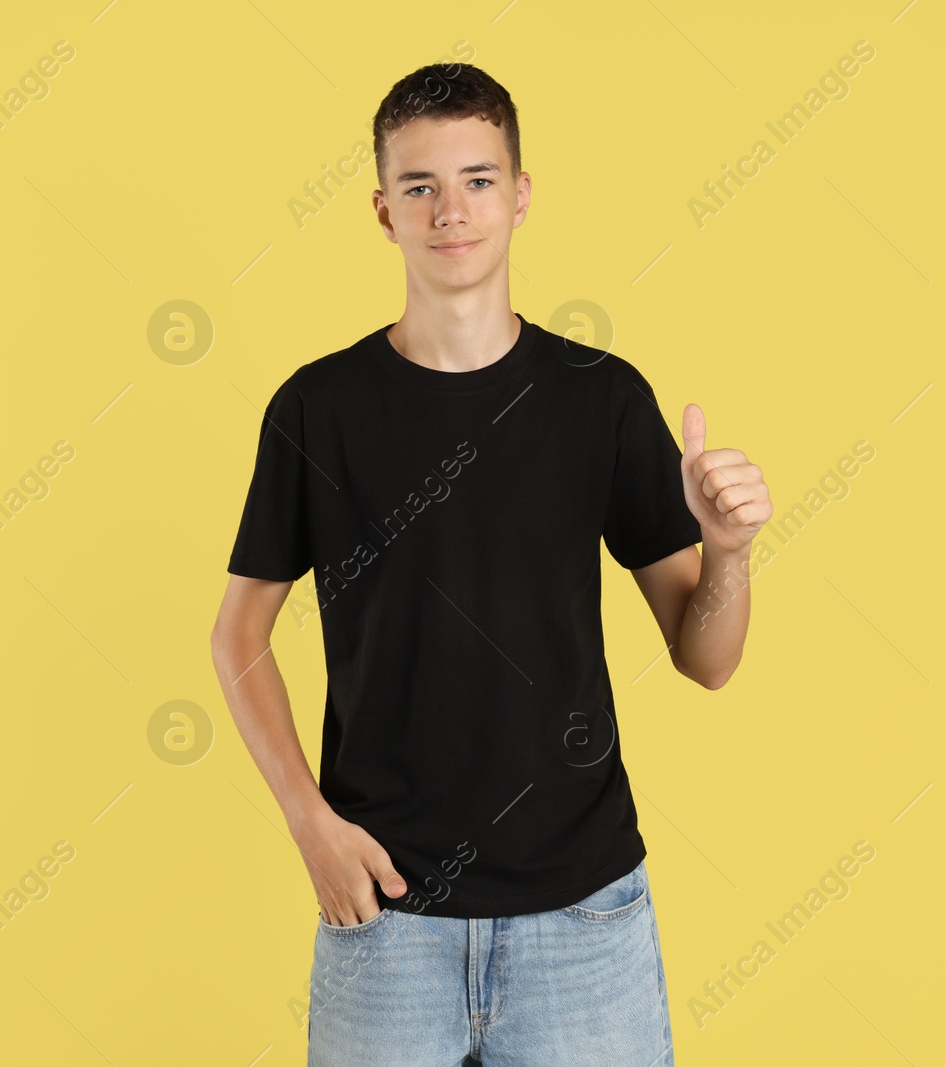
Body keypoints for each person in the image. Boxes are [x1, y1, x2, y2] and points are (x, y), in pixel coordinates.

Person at [210, 61, 771, 1067]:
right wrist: (309, 823)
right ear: (383, 212)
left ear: (519, 195)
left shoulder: (598, 400)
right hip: (381, 921)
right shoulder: (317, 411)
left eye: (476, 178)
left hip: (583, 920)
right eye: (419, 186)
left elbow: (708, 656)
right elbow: (237, 635)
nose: (450, 209)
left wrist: (726, 553)